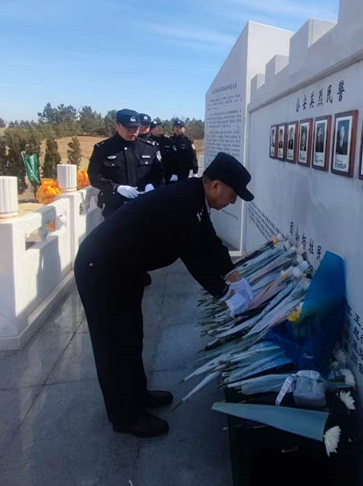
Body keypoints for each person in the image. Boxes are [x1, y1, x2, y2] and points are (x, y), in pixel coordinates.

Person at [74, 152, 255, 437]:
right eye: (233, 195)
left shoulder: (194, 197)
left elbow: (209, 242)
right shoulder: (183, 201)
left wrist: (236, 278)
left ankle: (137, 395)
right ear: (216, 186)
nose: (232, 202)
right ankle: (125, 417)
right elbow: (194, 257)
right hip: (101, 269)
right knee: (113, 344)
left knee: (131, 335)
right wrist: (226, 295)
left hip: (124, 268)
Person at [88, 109, 164, 218]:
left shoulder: (149, 148)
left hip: (144, 205)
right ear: (117, 126)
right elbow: (94, 176)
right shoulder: (103, 148)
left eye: (135, 128)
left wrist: (152, 185)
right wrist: (116, 188)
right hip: (115, 208)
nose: (132, 131)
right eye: (128, 128)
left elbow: (159, 173)